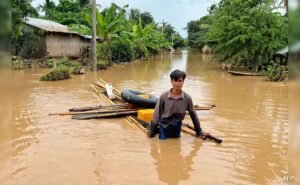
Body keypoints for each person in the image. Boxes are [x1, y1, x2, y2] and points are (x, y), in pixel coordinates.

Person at [148, 69, 206, 140]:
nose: (177, 83)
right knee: (163, 144)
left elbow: (193, 114)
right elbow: (156, 113)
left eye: (180, 81)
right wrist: (152, 130)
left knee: (177, 146)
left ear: (183, 82)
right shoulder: (163, 96)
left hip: (177, 126)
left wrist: (199, 131)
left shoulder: (187, 98)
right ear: (171, 82)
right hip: (164, 126)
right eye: (175, 81)